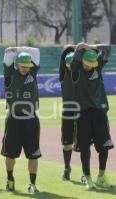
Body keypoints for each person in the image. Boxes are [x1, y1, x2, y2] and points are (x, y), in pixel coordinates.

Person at [71, 42, 114, 190]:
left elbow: (108, 48)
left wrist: (89, 46)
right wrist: (80, 48)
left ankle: (101, 176)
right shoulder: (76, 70)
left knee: (104, 147)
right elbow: (77, 52)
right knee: (84, 148)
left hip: (100, 113)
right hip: (83, 114)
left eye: (92, 63)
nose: (89, 66)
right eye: (87, 63)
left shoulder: (98, 66)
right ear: (82, 61)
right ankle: (88, 177)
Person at [1, 47, 41, 194]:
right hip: (14, 119)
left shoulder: (33, 73)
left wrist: (19, 48)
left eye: (27, 66)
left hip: (31, 119)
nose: (26, 68)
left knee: (33, 154)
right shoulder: (9, 74)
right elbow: (7, 55)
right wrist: (13, 51)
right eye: (23, 66)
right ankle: (10, 178)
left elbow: (36, 52)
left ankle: (32, 184)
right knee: (10, 154)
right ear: (17, 64)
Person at [59, 45, 78, 180]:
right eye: (68, 62)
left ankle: (85, 173)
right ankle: (67, 168)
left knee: (84, 144)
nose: (70, 64)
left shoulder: (81, 72)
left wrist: (78, 50)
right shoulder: (63, 74)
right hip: (68, 112)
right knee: (67, 144)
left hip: (83, 112)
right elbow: (63, 57)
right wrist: (70, 48)